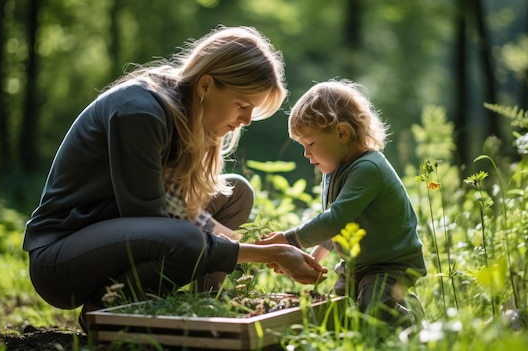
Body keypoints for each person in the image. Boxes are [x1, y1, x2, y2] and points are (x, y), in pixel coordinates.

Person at [22, 25, 326, 333]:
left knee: (237, 194)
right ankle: (106, 313)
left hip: (124, 235)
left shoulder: (186, 112)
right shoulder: (141, 112)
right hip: (63, 258)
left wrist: (250, 242)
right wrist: (264, 254)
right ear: (206, 85)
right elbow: (157, 227)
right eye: (242, 105)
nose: (246, 120)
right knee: (185, 241)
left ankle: (202, 307)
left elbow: (175, 208)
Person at [256, 79, 427, 327]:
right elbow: (340, 223)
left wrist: (289, 239)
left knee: (373, 306)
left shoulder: (368, 168)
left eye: (310, 143)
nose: (306, 154)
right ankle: (394, 310)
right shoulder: (336, 170)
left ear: (342, 133)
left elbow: (336, 218)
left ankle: (412, 325)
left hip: (390, 264)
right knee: (339, 309)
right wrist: (313, 255)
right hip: (359, 263)